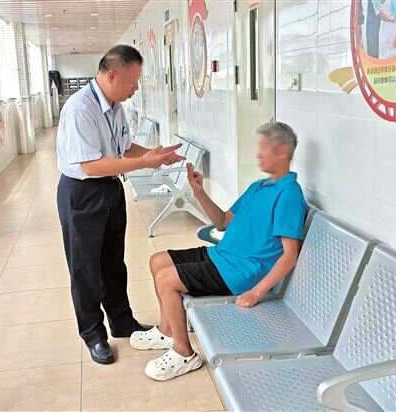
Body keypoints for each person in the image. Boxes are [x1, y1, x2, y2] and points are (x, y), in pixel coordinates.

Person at [130, 122, 308, 381]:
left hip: (240, 272)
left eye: (263, 148)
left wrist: (256, 292)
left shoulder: (289, 194)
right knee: (158, 261)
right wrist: (199, 192)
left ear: (282, 151)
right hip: (222, 256)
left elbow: (290, 255)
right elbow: (222, 221)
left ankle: (184, 353)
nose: (258, 154)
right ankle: (168, 331)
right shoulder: (259, 186)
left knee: (167, 280)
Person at [56, 45, 185, 365]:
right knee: (86, 267)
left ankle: (122, 321)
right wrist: (144, 162)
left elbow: (124, 147)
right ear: (112, 75)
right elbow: (91, 165)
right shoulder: (80, 109)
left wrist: (154, 155)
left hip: (111, 189)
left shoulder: (115, 107)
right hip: (83, 194)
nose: (136, 88)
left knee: (113, 262)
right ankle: (93, 334)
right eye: (133, 81)